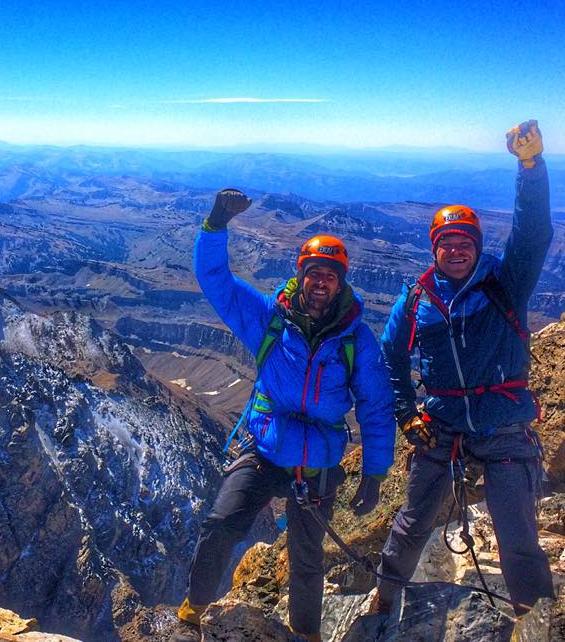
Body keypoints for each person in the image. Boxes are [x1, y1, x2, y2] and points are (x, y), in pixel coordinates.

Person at [173, 189, 395, 642]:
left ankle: (306, 635)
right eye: (314, 273)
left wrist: (374, 474)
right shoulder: (270, 319)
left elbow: (376, 406)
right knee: (219, 526)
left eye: (330, 277)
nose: (320, 283)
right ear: (300, 276)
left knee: (307, 559)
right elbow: (216, 280)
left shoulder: (357, 341)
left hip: (315, 463)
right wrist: (215, 225)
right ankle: (193, 610)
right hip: (267, 445)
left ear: (341, 283)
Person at [371, 120, 554, 616]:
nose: (456, 250)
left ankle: (536, 618)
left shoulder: (504, 283)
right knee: (412, 522)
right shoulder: (418, 299)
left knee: (516, 534)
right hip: (442, 425)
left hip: (503, 425)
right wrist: (407, 413)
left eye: (464, 242)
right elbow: (391, 355)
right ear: (435, 249)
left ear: (476, 245)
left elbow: (534, 233)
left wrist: (530, 167)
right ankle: (384, 600)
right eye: (446, 243)